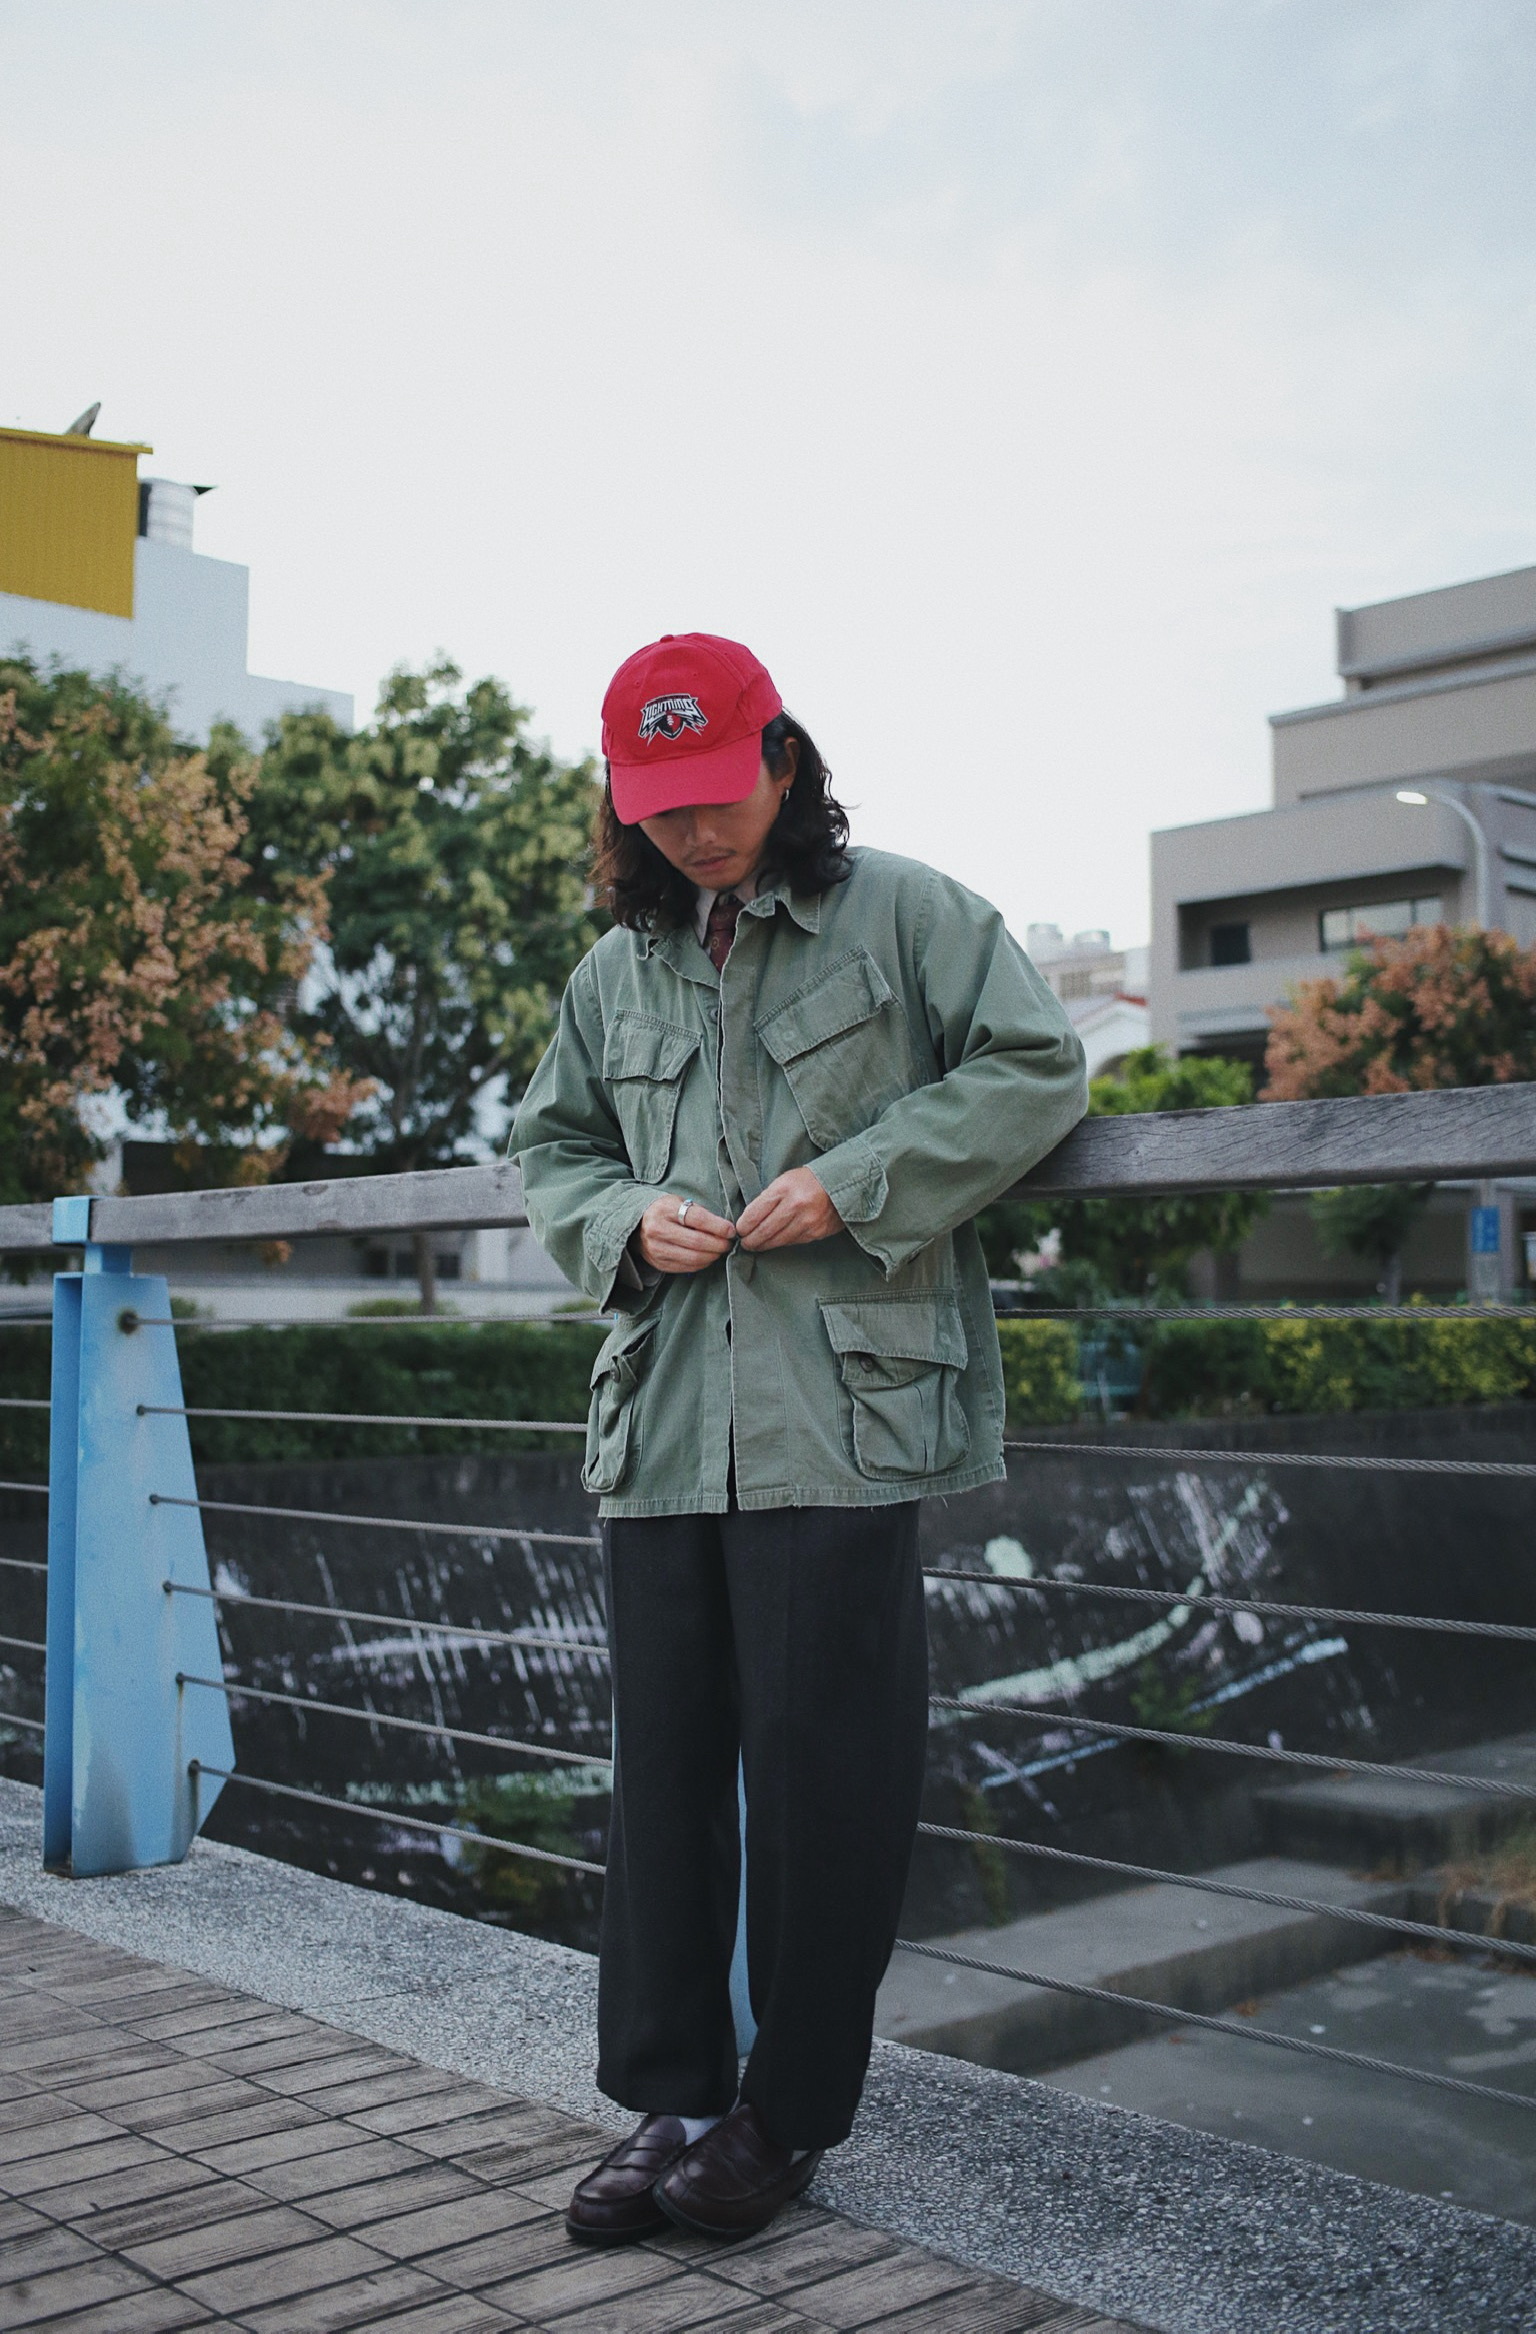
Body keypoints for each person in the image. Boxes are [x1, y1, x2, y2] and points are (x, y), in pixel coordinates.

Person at [511, 632, 1088, 2245]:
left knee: (827, 1777)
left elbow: (1038, 1065)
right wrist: (624, 1218)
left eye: (717, 791)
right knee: (662, 1775)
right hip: (661, 1423)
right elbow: (552, 1145)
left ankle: (789, 2112)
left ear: (782, 759)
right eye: (660, 803)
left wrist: (860, 1177)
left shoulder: (908, 913)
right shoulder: (614, 970)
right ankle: (673, 2098)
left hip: (843, 1417)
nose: (694, 829)